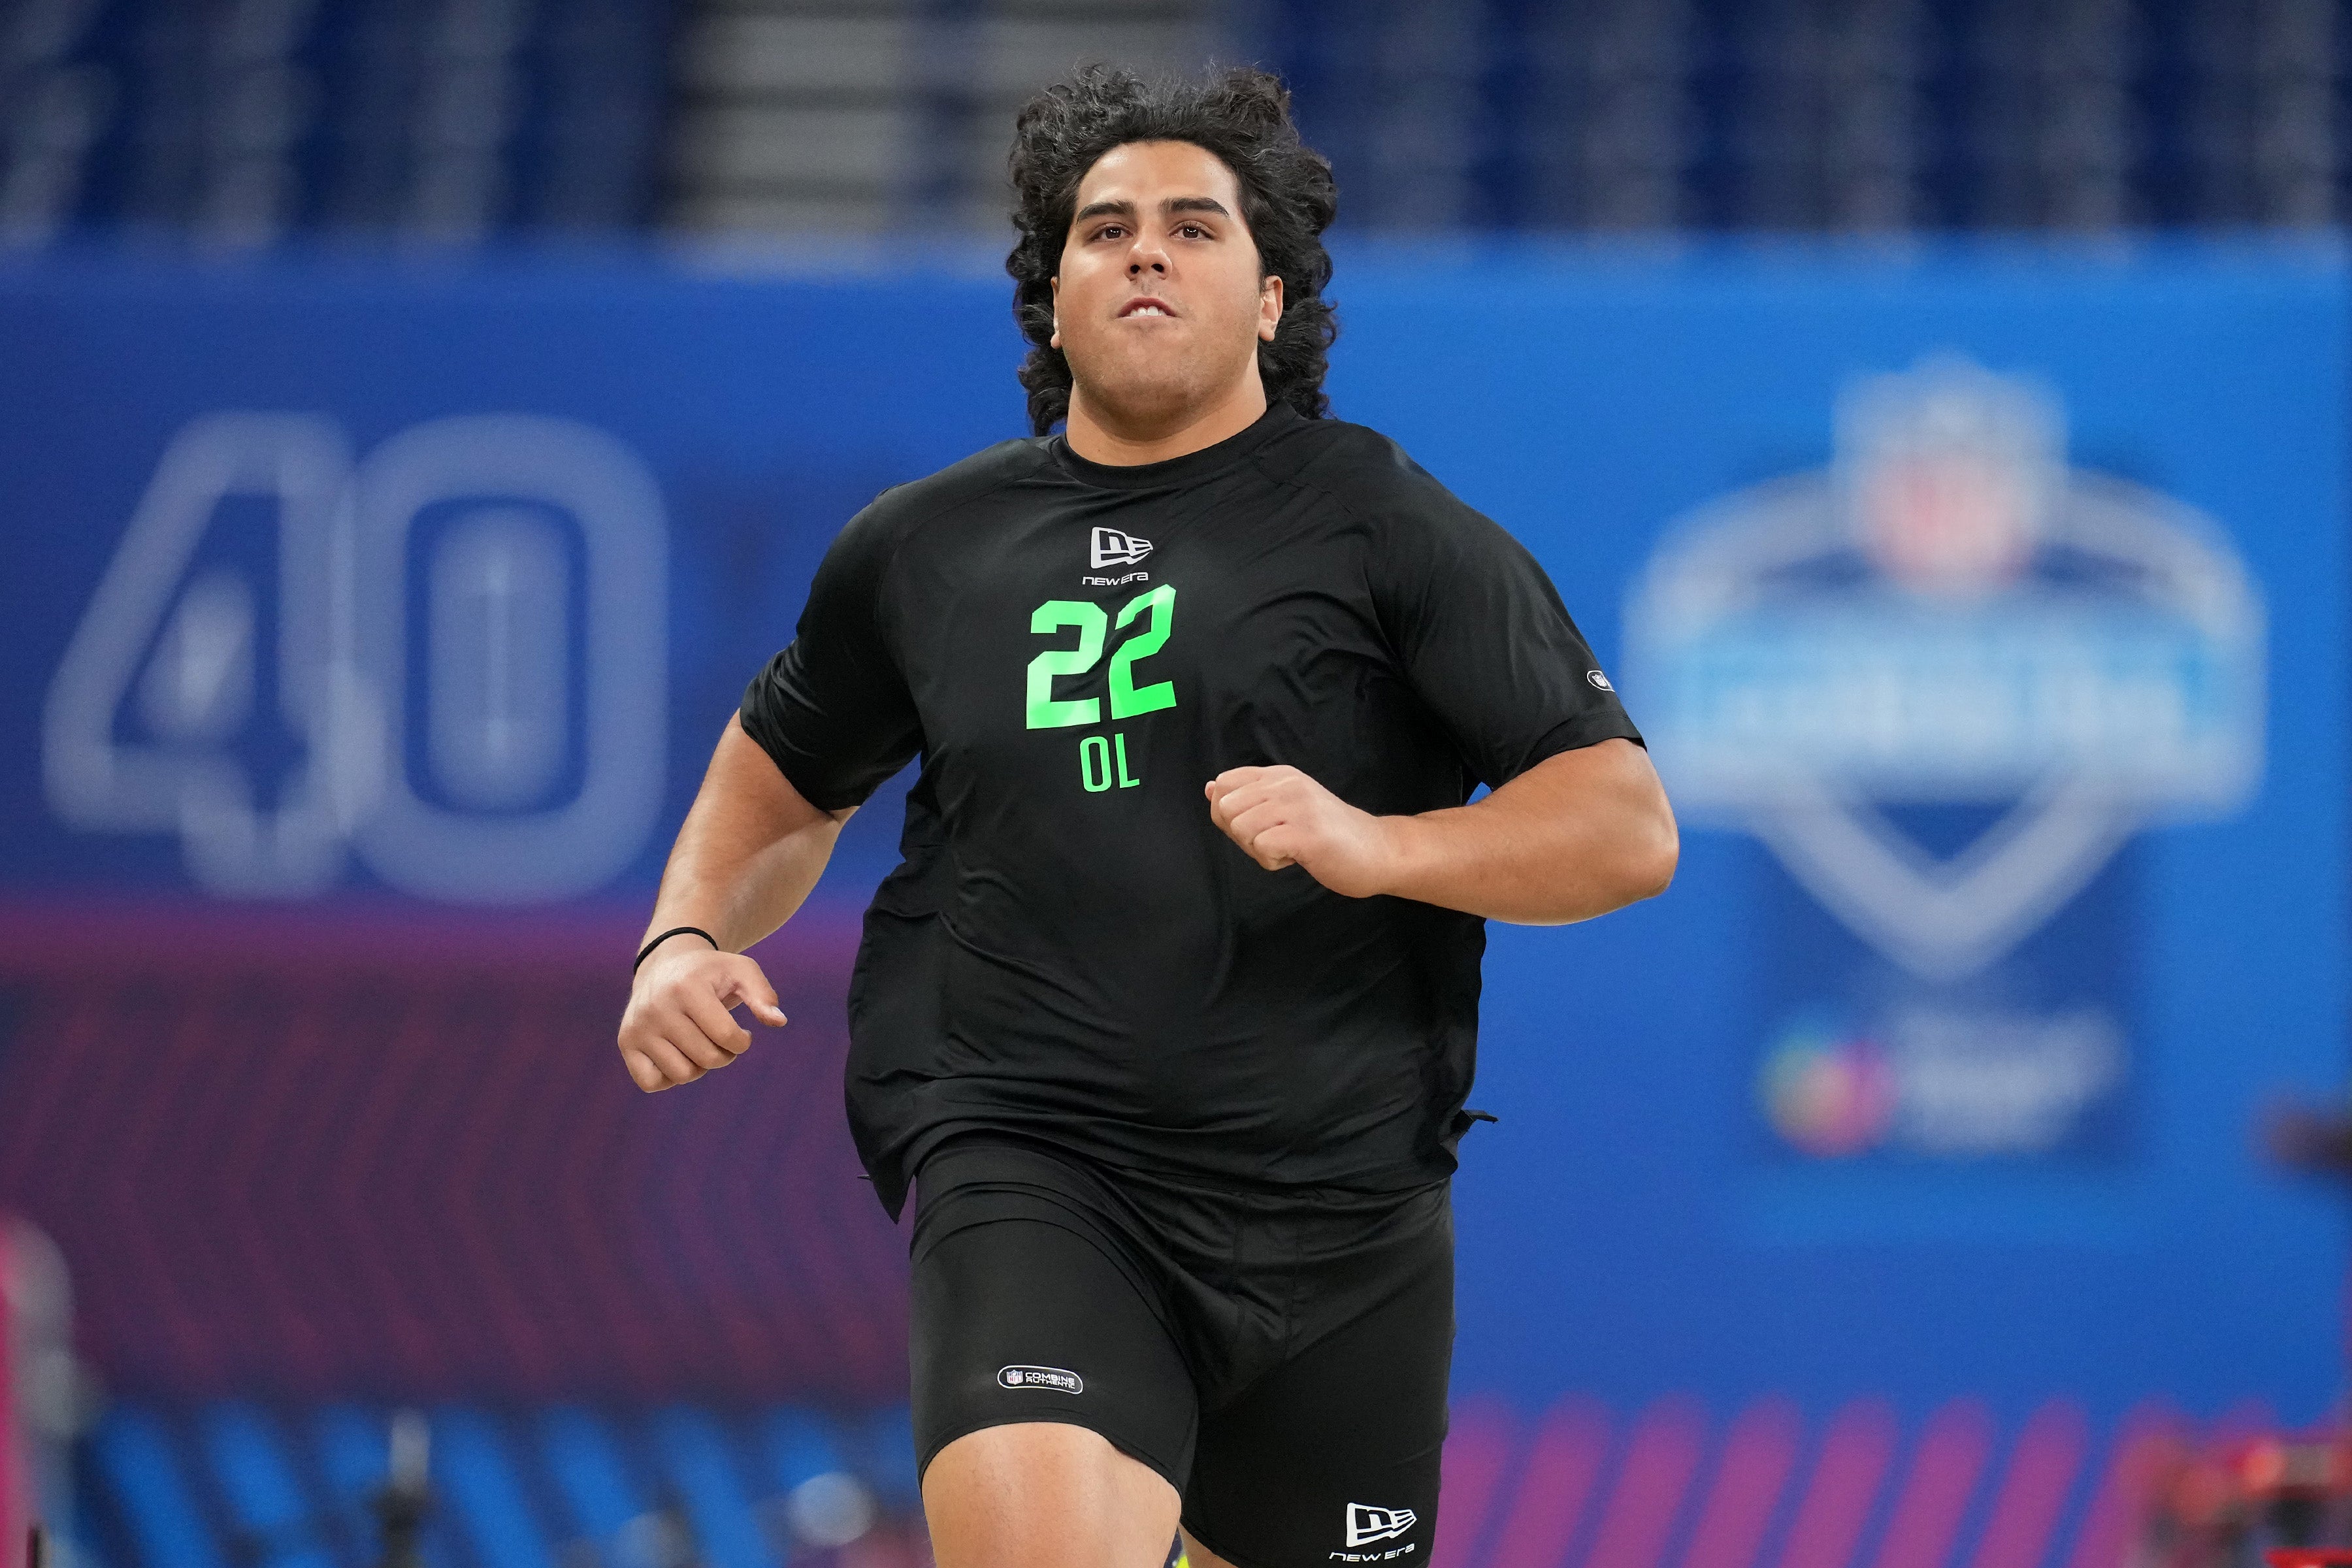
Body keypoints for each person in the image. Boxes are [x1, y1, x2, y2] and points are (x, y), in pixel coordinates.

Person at [616, 65, 1678, 1568]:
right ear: (1052, 301)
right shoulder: (924, 548)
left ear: (1269, 300)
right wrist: (682, 937)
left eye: (1193, 225)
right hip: (1036, 1165)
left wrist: (1385, 847)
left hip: (1343, 1220)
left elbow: (1624, 824)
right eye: (1102, 231)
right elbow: (784, 769)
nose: (1145, 252)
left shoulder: (1381, 521)